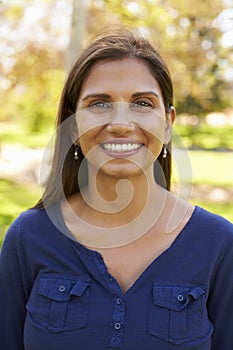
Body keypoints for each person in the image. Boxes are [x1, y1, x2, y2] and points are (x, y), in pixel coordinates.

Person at [0, 27, 232, 350]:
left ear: (168, 124)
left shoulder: (219, 245)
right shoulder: (28, 239)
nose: (121, 123)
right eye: (99, 104)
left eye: (141, 103)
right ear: (73, 125)